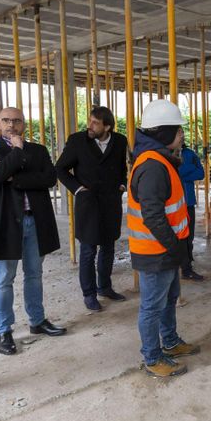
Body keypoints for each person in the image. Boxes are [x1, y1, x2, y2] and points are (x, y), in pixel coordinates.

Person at [0, 107, 67, 356]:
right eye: (6, 120)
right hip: (7, 222)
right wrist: (17, 152)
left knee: (34, 273)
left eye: (16, 121)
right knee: (4, 277)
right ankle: (4, 330)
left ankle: (37, 321)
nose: (11, 125)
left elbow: (49, 178)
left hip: (36, 220)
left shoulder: (38, 150)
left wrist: (13, 177)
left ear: (24, 125)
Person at [129, 99, 201, 377]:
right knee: (152, 305)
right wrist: (175, 248)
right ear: (163, 132)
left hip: (166, 248)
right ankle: (152, 357)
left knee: (169, 298)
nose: (182, 134)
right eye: (178, 129)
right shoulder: (152, 166)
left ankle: (169, 342)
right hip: (155, 250)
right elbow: (153, 216)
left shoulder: (160, 160)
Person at [55, 106, 129, 311]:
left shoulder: (120, 141)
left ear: (107, 126)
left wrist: (122, 185)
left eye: (95, 122)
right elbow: (60, 168)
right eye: (90, 120)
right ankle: (89, 294)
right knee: (88, 250)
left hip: (111, 202)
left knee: (108, 247)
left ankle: (105, 286)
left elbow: (123, 168)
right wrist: (78, 189)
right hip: (88, 204)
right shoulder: (78, 140)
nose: (90, 125)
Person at [177, 143, 206, 281]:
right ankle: (183, 265)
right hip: (175, 202)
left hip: (188, 201)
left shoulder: (189, 153)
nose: (181, 135)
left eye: (182, 132)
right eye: (179, 132)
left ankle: (187, 267)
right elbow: (173, 173)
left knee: (189, 235)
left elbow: (201, 173)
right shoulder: (167, 153)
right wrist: (189, 169)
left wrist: (181, 172)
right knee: (179, 236)